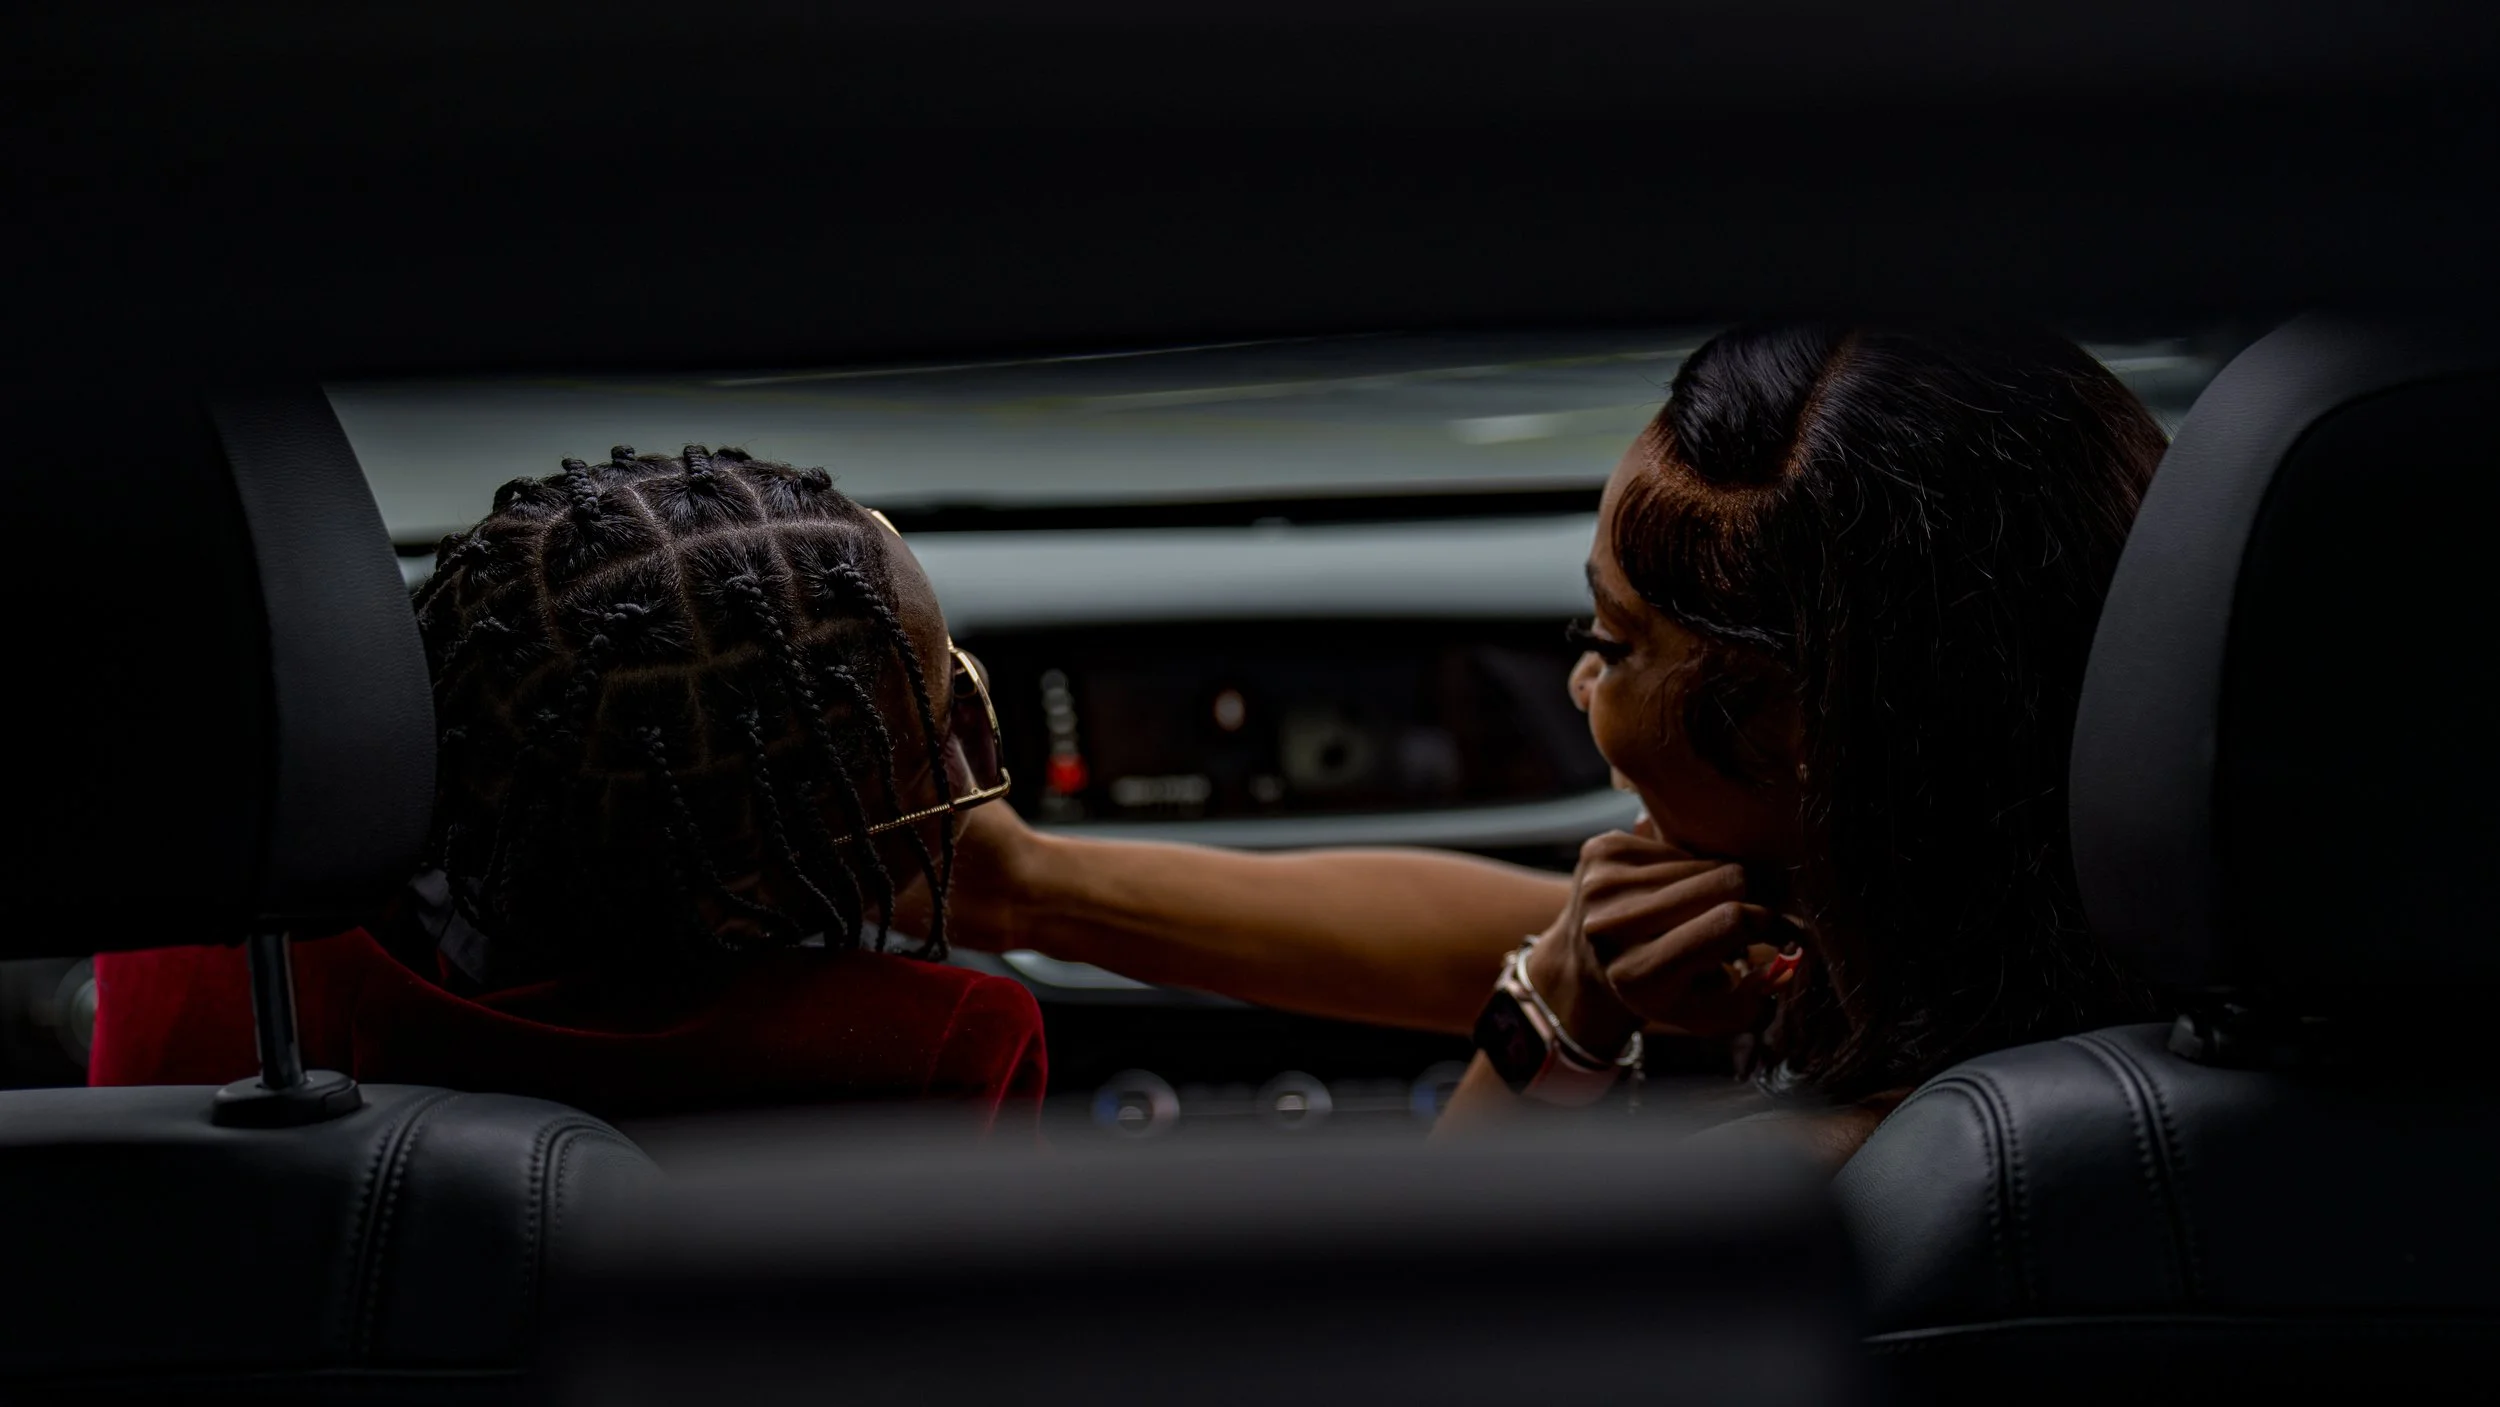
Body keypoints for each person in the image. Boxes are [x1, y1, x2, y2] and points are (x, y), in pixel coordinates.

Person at [932, 323, 2168, 1162]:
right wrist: (1022, 888)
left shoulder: (1820, 1181)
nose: (1580, 687)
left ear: (1809, 734)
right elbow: (1525, 927)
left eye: (1614, 642)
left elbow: (1433, 1338)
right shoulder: (2101, 959)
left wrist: (1555, 1028)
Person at [91, 446, 1046, 1127]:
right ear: (758, 884)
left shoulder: (199, 933)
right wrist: (1034, 887)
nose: (958, 736)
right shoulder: (926, 1052)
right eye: (940, 708)